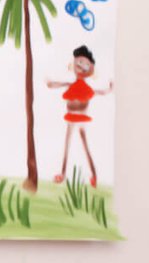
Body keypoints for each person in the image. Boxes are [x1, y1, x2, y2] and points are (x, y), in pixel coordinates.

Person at [46, 45, 113, 187]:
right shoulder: (72, 85)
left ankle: (93, 175)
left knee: (83, 143)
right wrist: (50, 83)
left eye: (86, 64)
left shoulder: (87, 89)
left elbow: (101, 92)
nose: (82, 66)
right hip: (71, 117)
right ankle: (63, 173)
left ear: (91, 69)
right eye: (80, 62)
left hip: (81, 117)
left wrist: (109, 89)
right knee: (68, 143)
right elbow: (56, 84)